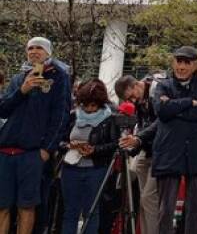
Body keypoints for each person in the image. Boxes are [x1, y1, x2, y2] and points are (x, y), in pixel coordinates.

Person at [0, 37, 71, 234]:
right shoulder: (18, 78)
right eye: (30, 48)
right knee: (2, 206)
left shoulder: (59, 77)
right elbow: (3, 109)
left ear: (48, 52)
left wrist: (47, 149)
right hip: (5, 151)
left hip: (32, 153)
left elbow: (61, 116)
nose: (33, 51)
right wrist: (22, 90)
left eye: (39, 48)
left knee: (26, 206)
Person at [152, 46, 197, 234]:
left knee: (196, 209)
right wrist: (189, 102)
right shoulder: (163, 85)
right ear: (173, 63)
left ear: (195, 65)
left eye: (186, 62)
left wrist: (174, 108)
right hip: (168, 153)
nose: (181, 66)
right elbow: (161, 112)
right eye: (178, 61)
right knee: (165, 209)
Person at [60, 79, 117, 234]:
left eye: (93, 105)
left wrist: (95, 150)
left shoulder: (109, 119)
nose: (89, 109)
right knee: (70, 211)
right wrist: (68, 145)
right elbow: (60, 139)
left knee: (91, 211)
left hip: (96, 169)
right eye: (85, 105)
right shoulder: (73, 116)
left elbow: (114, 144)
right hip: (70, 168)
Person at [116, 73, 164, 234]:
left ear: (136, 85)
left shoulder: (157, 89)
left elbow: (161, 121)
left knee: (148, 198)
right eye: (128, 100)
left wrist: (138, 138)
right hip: (146, 149)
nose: (132, 101)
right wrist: (132, 146)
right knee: (143, 199)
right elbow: (142, 125)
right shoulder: (139, 102)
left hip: (161, 150)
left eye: (131, 96)